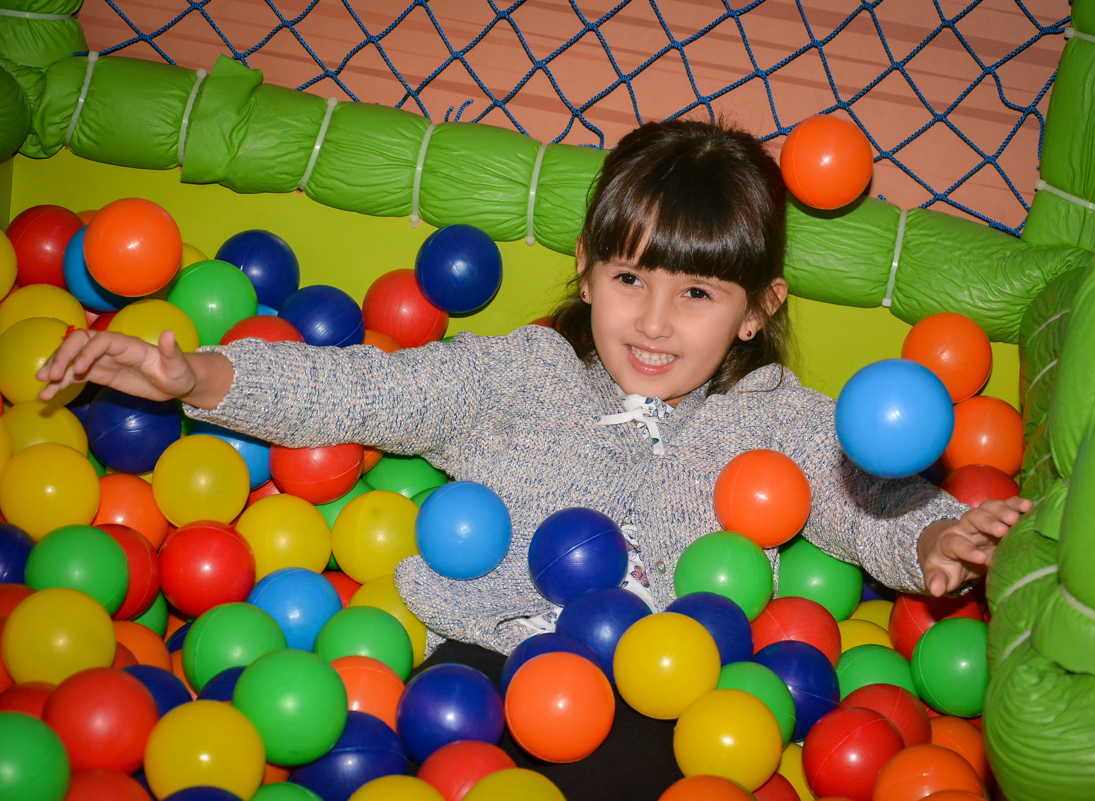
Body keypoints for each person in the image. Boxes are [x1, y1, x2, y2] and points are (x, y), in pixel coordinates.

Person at [38, 119, 1028, 798]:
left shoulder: (781, 418)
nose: (651, 319)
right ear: (590, 271)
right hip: (488, 655)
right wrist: (202, 379)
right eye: (629, 276)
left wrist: (938, 534)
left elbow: (863, 499)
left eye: (697, 295)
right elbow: (367, 389)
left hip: (663, 680)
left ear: (756, 309)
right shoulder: (523, 371)